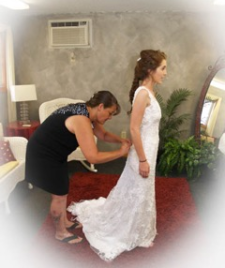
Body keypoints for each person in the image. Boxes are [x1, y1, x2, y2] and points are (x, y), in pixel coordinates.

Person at [67, 49, 167, 261]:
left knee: (141, 191)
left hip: (147, 149)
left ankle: (139, 230)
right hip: (142, 153)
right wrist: (142, 159)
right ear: (150, 70)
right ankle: (129, 231)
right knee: (139, 190)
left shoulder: (149, 93)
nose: (166, 73)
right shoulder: (142, 94)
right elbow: (134, 129)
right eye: (163, 68)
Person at [25, 91, 131, 244]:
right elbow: (92, 157)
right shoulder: (81, 120)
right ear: (101, 107)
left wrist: (121, 141)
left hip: (54, 152)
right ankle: (60, 233)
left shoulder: (86, 110)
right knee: (59, 194)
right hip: (43, 155)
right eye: (110, 113)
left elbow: (104, 135)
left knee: (63, 188)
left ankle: (65, 222)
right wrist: (120, 153)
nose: (110, 117)